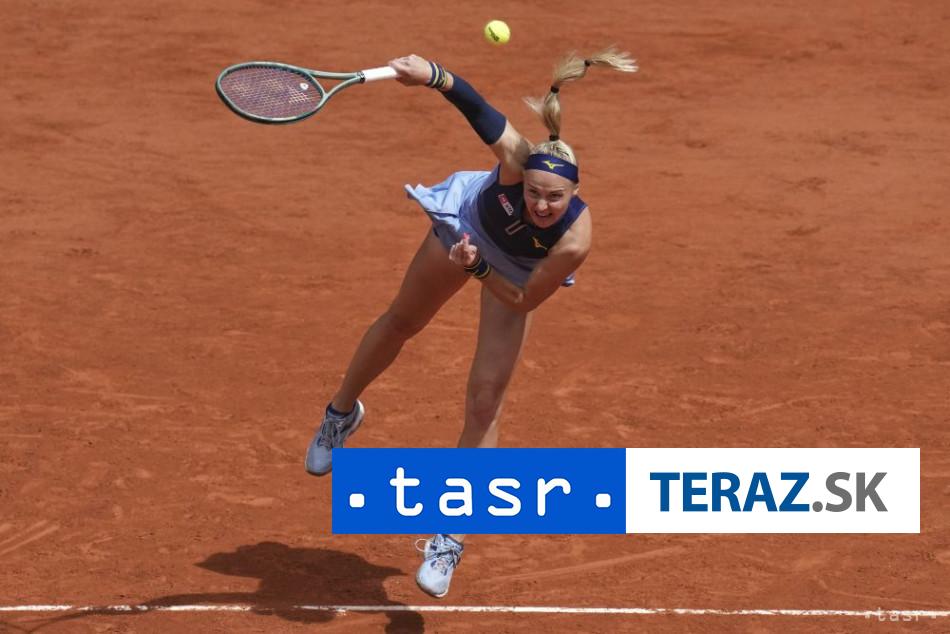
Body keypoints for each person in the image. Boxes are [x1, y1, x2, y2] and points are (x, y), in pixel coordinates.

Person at [305, 48, 637, 598]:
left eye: (555, 198)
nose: (542, 205)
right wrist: (430, 75)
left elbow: (523, 299)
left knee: (486, 403)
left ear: (575, 193)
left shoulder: (575, 239)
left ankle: (449, 536)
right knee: (401, 321)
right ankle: (340, 414)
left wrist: (478, 268)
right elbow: (477, 107)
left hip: (514, 273)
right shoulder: (516, 159)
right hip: (468, 227)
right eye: (533, 192)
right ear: (522, 179)